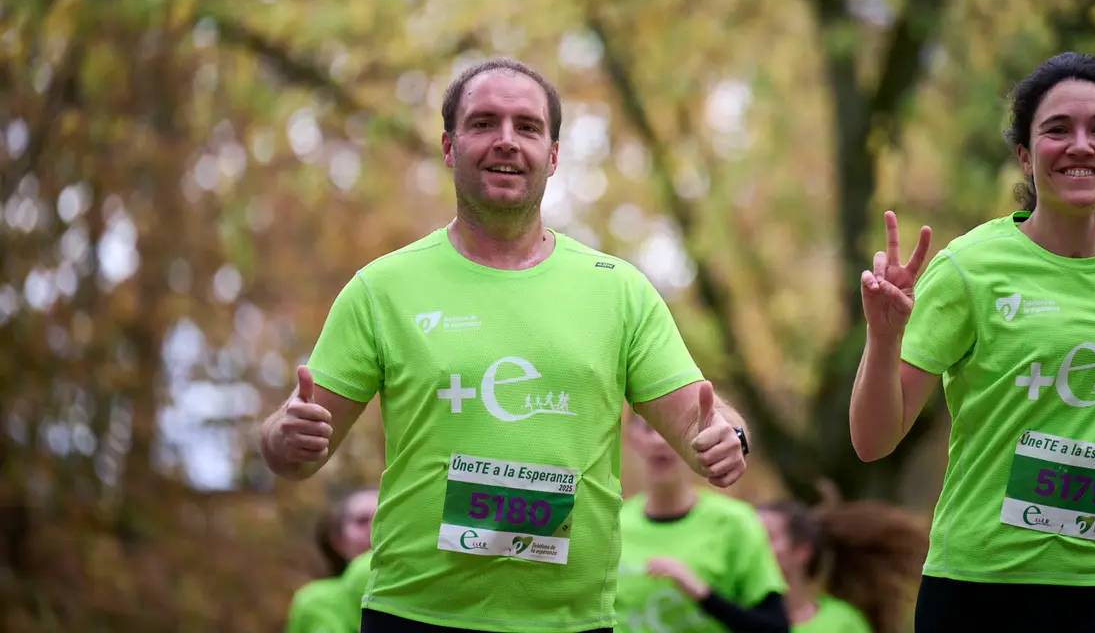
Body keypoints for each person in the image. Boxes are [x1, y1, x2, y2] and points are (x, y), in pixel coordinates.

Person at [258, 57, 752, 633]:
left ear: (555, 154)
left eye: (527, 127)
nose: (506, 142)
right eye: (483, 123)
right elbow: (292, 454)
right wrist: (284, 437)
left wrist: (727, 439)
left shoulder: (618, 290)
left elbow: (703, 425)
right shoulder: (383, 288)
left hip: (570, 623)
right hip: (414, 615)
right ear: (448, 145)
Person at [848, 52, 1095, 633]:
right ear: (1025, 154)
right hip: (982, 583)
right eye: (1057, 129)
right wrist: (883, 339)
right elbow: (872, 441)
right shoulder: (968, 268)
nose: (1081, 145)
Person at [614, 413, 788, 633]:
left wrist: (703, 594)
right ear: (632, 438)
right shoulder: (613, 524)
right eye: (649, 429)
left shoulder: (736, 522)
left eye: (670, 431)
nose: (660, 440)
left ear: (696, 440)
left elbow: (776, 628)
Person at [756, 499, 929, 633]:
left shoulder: (842, 624)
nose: (753, 545)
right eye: (747, 535)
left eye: (766, 536)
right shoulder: (737, 616)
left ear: (802, 551)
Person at [286, 488, 378, 633]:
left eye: (384, 518)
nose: (375, 527)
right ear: (338, 540)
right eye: (361, 521)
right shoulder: (314, 601)